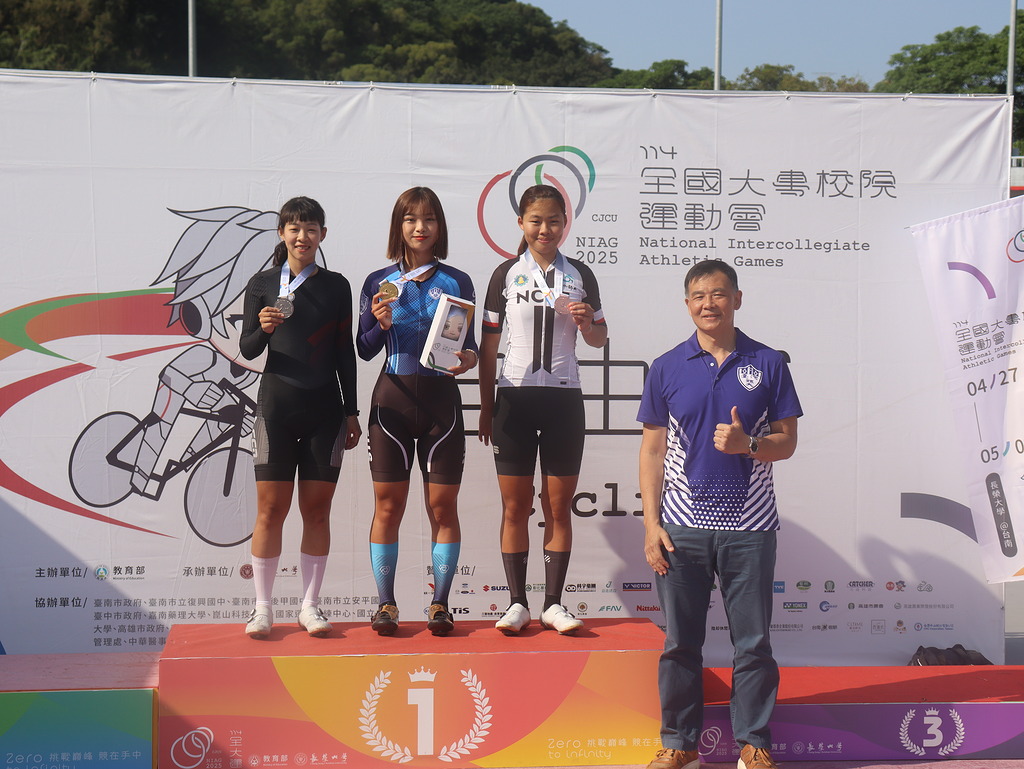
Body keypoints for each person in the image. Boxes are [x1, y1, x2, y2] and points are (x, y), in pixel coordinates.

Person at [637, 260, 801, 769]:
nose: (709, 304)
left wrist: (748, 443)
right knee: (679, 644)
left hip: (750, 529)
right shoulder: (666, 366)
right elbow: (652, 451)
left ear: (737, 299)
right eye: (699, 296)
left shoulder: (768, 362)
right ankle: (679, 744)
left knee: (753, 644)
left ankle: (753, 743)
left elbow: (787, 442)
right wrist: (651, 525)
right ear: (687, 304)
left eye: (719, 294)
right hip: (681, 528)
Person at [478, 184, 607, 636]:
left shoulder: (581, 274)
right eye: (535, 221)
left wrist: (588, 323)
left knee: (557, 508)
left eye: (554, 221)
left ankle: (553, 603)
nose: (545, 229)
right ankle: (517, 603)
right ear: (521, 223)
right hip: (513, 401)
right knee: (514, 507)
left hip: (563, 401)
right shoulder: (505, 274)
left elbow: (600, 338)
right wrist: (486, 406)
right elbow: (488, 346)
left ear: (565, 223)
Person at [357, 187, 478, 637]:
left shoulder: (458, 280)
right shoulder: (379, 281)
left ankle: (440, 604)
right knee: (388, 506)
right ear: (399, 226)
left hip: (441, 407)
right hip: (391, 403)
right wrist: (379, 324)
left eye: (428, 219)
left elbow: (468, 347)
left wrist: (469, 360)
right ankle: (386, 604)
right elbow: (364, 348)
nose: (420, 227)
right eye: (410, 219)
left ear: (439, 227)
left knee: (442, 507)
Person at [238, 196, 361, 639]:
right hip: (276, 408)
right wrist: (264, 327)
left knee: (317, 511)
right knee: (271, 510)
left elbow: (345, 351)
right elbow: (248, 348)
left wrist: (351, 412)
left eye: (311, 229)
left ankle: (310, 606)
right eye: (294, 228)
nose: (302, 236)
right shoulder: (262, 283)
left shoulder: (337, 286)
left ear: (322, 235)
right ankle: (262, 608)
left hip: (325, 412)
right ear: (281, 233)